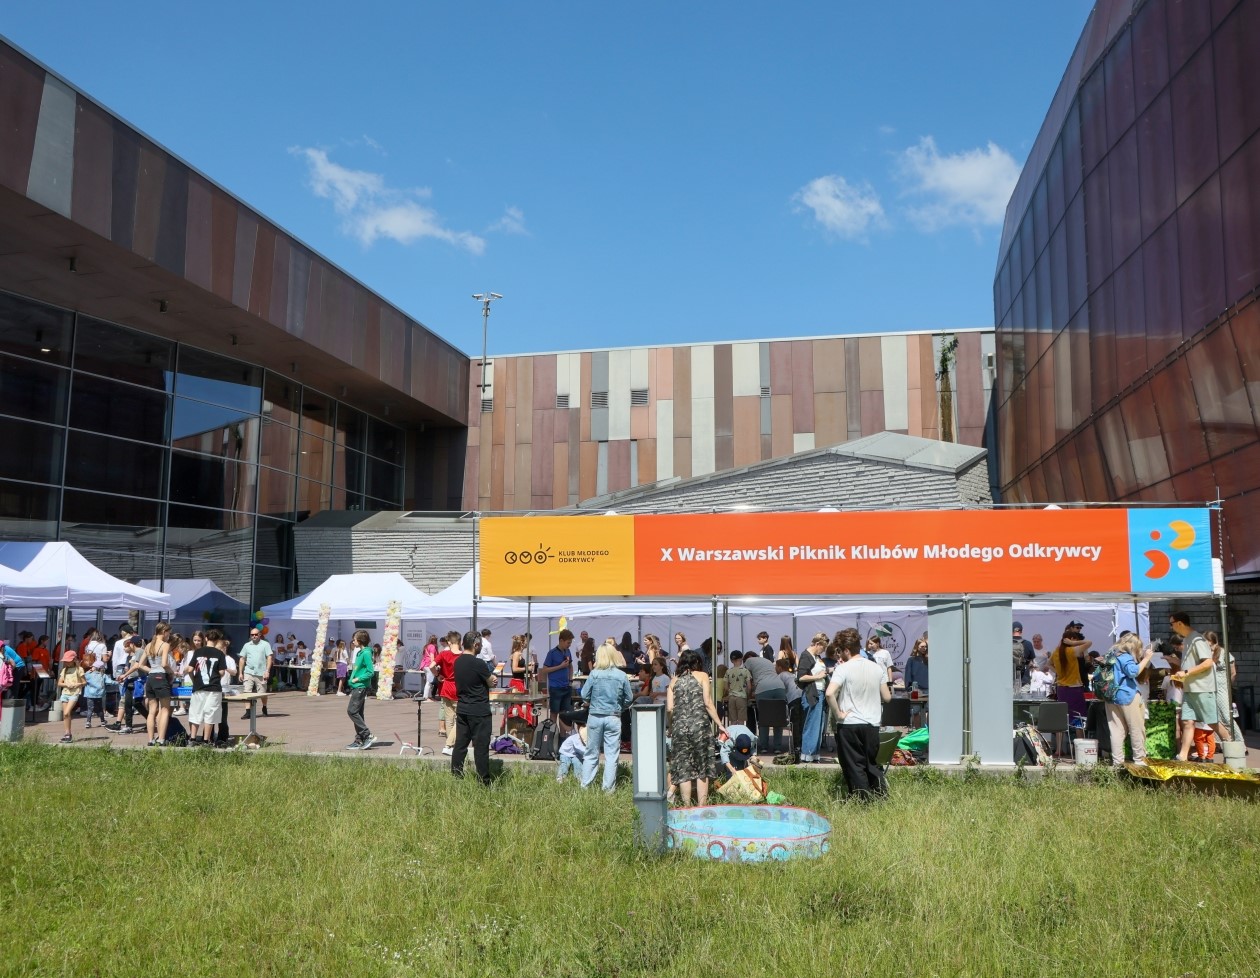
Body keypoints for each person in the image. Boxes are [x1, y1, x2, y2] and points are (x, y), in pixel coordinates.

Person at [825, 627, 891, 801]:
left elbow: (829, 693)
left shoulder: (843, 669)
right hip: (872, 723)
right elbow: (887, 697)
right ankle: (881, 798)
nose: (839, 655)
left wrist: (838, 714)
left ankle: (862, 801)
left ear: (846, 650)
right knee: (872, 764)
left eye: (840, 651)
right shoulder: (877, 668)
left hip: (849, 723)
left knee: (854, 766)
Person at [667, 649, 728, 805]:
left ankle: (687, 807)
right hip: (700, 728)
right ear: (697, 662)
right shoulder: (702, 676)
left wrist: (671, 727)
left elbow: (669, 709)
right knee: (703, 767)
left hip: (680, 728)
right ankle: (701, 806)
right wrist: (720, 724)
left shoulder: (674, 681)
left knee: (684, 768)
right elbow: (707, 703)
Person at [580, 642, 634, 793]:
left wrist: (592, 702)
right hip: (613, 716)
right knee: (611, 755)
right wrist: (620, 707)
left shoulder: (594, 674)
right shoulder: (621, 675)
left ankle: (585, 787)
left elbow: (584, 695)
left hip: (595, 716)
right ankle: (608, 790)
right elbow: (629, 698)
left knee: (591, 753)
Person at [1168, 613, 1218, 763]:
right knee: (1187, 722)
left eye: (1171, 623)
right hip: (1190, 688)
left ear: (1180, 623)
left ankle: (1232, 746)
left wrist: (1186, 672)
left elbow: (1208, 662)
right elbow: (1190, 664)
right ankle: (1182, 756)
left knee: (1213, 722)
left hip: (1201, 688)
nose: (1170, 627)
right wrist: (1176, 664)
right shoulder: (1187, 639)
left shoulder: (1197, 639)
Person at [451, 630, 494, 784]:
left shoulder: (458, 662)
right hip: (479, 710)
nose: (481, 647)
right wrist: (493, 679)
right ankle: (484, 781)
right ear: (476, 645)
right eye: (480, 645)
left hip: (463, 708)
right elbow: (491, 681)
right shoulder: (479, 663)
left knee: (460, 745)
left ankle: (456, 776)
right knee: (481, 747)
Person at [1103, 634, 1152, 767]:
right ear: (1133, 645)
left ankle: (1117, 762)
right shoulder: (1125, 656)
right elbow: (1133, 672)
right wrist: (1146, 658)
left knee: (1116, 730)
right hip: (1127, 695)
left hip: (1110, 696)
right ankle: (1139, 759)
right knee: (1136, 728)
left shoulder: (1110, 655)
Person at [187, 628, 227, 746]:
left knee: (196, 713)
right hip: (214, 687)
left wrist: (194, 680)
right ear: (217, 640)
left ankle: (192, 739)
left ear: (206, 638)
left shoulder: (198, 652)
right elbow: (222, 672)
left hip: (199, 687)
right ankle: (206, 740)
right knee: (210, 714)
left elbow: (190, 669)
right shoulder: (220, 653)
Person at [1049, 621, 1092, 723]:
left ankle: (1062, 734)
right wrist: (1073, 643)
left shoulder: (1056, 651)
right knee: (1078, 717)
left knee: (1063, 716)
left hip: (1061, 688)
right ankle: (1079, 734)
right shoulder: (1072, 651)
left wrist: (1058, 672)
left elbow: (1048, 664)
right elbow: (1089, 642)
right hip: (1074, 688)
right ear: (1071, 639)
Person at [743, 648, 783, 754]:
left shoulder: (748, 661)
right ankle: (777, 747)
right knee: (778, 719)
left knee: (764, 719)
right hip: (780, 687)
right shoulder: (767, 661)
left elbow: (747, 679)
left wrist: (749, 693)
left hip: (763, 688)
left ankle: (764, 746)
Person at [796, 633, 829, 763]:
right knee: (812, 724)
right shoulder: (806, 656)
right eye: (823, 647)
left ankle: (814, 753)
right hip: (812, 693)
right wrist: (818, 677)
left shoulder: (816, 656)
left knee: (818, 725)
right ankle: (807, 753)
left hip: (820, 692)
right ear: (817, 644)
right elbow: (801, 677)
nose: (823, 650)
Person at [1206, 630, 1243, 744]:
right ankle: (1223, 742)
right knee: (1215, 716)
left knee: (1226, 716)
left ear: (1214, 641)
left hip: (1222, 688)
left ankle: (1239, 742)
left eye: (1208, 643)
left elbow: (1233, 672)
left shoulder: (1223, 653)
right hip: (1211, 688)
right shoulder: (1207, 654)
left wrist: (1228, 686)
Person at [344, 629, 378, 751]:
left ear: (360, 640)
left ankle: (367, 735)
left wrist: (357, 679)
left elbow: (370, 672)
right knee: (358, 713)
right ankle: (359, 739)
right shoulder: (360, 652)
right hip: (356, 686)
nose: (353, 641)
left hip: (360, 686)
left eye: (354, 639)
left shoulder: (366, 653)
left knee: (352, 711)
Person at [142, 624, 174, 747]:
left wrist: (151, 670)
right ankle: (161, 739)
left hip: (150, 678)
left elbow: (140, 664)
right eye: (169, 633)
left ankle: (150, 739)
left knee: (151, 711)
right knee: (165, 709)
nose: (169, 635)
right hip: (161, 677)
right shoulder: (165, 645)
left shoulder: (149, 645)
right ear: (164, 631)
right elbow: (164, 663)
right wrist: (172, 672)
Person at [433, 631, 460, 755]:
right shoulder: (462, 655)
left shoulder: (444, 654)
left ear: (449, 642)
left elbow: (431, 665)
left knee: (449, 719)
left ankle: (450, 746)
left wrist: (437, 675)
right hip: (458, 688)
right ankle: (450, 744)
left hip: (446, 687)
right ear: (459, 641)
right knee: (460, 719)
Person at [542, 629, 575, 723]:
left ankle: (563, 732)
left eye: (570, 643)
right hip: (555, 688)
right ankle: (553, 730)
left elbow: (570, 666)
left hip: (566, 686)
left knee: (564, 714)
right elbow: (544, 670)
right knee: (554, 713)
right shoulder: (552, 653)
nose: (569, 645)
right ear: (561, 641)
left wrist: (570, 680)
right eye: (568, 643)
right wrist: (560, 666)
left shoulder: (568, 651)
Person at [239, 625, 273, 716]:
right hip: (248, 671)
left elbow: (269, 657)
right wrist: (240, 673)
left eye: (256, 634)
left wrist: (267, 671)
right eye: (252, 635)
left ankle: (264, 706)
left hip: (261, 672)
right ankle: (248, 711)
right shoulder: (247, 645)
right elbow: (242, 658)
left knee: (262, 693)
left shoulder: (265, 644)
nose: (254, 636)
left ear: (260, 635)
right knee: (247, 691)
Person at [55, 649, 85, 743]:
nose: (67, 663)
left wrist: (78, 684)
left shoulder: (79, 669)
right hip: (65, 693)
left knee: (67, 712)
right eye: (66, 661)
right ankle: (67, 733)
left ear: (74, 660)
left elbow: (84, 682)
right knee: (65, 715)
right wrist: (67, 685)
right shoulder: (64, 670)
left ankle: (68, 734)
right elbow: (59, 683)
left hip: (74, 693)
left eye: (68, 661)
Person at [725, 651, 750, 725]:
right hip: (742, 697)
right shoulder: (745, 671)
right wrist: (747, 695)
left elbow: (726, 687)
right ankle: (740, 732)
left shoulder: (728, 671)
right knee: (741, 720)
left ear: (731, 660)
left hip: (731, 697)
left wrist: (730, 692)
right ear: (741, 659)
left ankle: (733, 732)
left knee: (733, 720)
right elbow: (749, 687)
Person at [82, 660, 108, 728]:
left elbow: (83, 676)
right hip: (99, 695)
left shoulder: (89, 675)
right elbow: (109, 681)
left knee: (90, 709)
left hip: (90, 695)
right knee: (100, 709)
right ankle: (102, 722)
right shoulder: (103, 675)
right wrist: (118, 682)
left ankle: (88, 722)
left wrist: (89, 671)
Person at [1012, 621, 1035, 687]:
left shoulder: (1006, 644)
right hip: (1024, 681)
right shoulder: (1028, 644)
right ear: (1022, 631)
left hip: (1009, 681)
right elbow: (1031, 662)